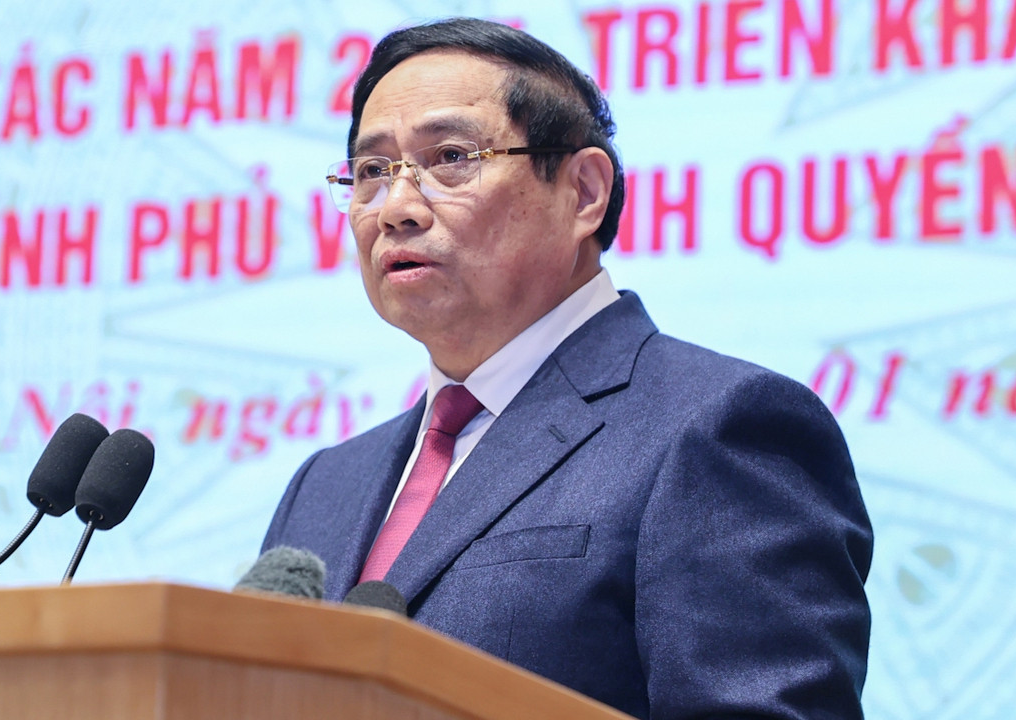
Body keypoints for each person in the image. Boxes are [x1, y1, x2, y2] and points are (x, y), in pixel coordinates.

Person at [262, 17, 872, 720]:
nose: (395, 208)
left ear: (583, 192)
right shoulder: (325, 485)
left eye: (451, 157)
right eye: (372, 172)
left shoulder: (721, 429)